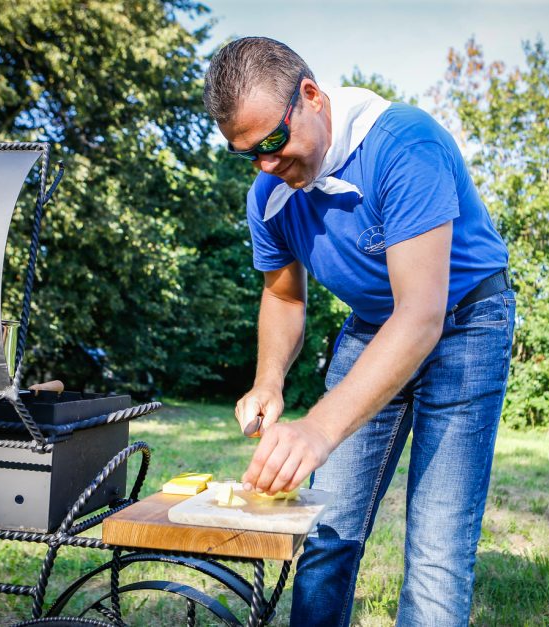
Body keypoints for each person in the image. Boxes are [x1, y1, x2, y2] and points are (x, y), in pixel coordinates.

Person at [203, 37, 516, 626]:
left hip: (466, 324)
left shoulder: (404, 146)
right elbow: (282, 294)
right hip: (373, 326)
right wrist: (269, 381)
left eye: (272, 142)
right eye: (247, 153)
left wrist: (317, 430)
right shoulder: (268, 193)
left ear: (312, 96)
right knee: (326, 527)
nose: (266, 165)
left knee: (436, 550)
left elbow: (421, 315)